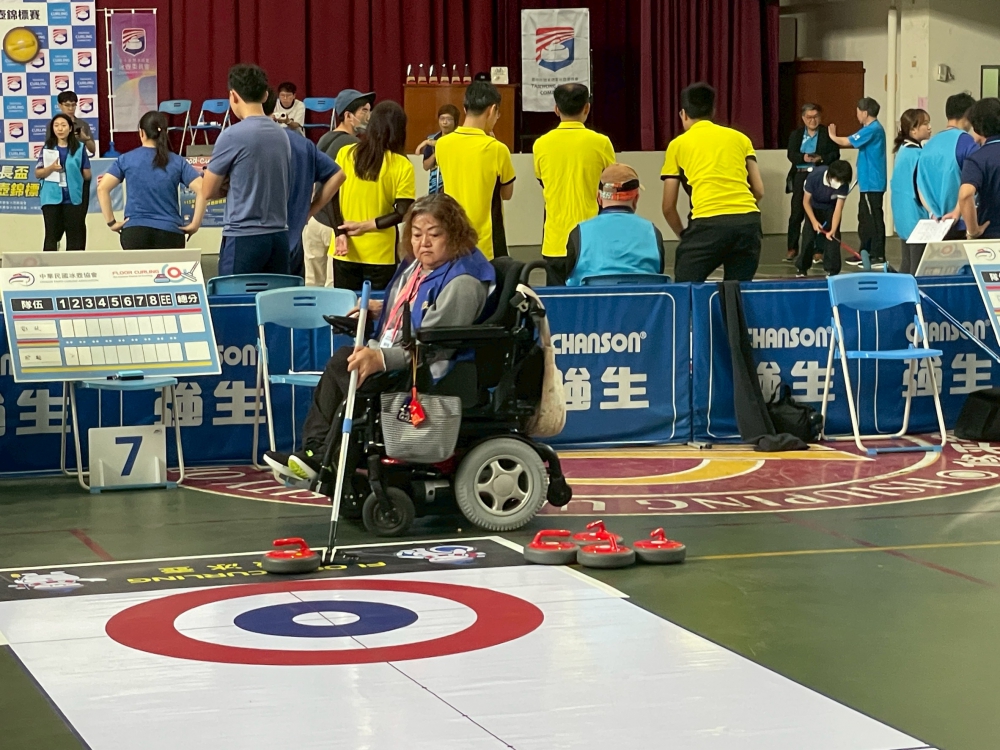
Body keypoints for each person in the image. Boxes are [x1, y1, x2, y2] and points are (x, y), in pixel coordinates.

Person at [264, 193, 496, 481]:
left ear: (456, 234)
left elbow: (435, 344)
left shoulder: (462, 281)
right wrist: (382, 309)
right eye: (416, 234)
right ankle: (315, 453)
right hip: (400, 352)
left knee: (348, 366)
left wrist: (382, 358)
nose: (423, 243)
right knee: (344, 362)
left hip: (427, 369)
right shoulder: (418, 267)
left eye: (434, 235)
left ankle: (321, 456)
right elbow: (413, 309)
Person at [660, 82, 764, 282]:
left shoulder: (677, 145)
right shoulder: (741, 138)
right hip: (748, 223)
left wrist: (685, 235)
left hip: (708, 222)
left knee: (685, 288)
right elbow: (758, 190)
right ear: (713, 111)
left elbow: (668, 207)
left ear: (683, 114)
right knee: (737, 290)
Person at [202, 64, 292, 276]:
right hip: (279, 236)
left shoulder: (232, 135)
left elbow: (208, 191)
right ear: (266, 95)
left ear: (233, 96)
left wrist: (226, 185)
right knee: (275, 296)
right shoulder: (282, 135)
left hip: (243, 236)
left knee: (234, 296)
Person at [533, 83, 616, 285]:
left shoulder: (541, 144)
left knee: (557, 301)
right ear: (587, 108)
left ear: (556, 109)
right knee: (591, 298)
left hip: (555, 241)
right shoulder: (601, 142)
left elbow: (542, 181)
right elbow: (611, 182)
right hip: (591, 238)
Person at [330, 101, 416, 291]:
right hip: (381, 252)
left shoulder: (345, 153)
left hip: (344, 248)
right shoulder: (402, 165)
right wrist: (365, 226)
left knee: (347, 307)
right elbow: (403, 212)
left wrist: (340, 232)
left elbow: (331, 197)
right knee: (378, 307)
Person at [261, 87, 345, 276]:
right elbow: (338, 175)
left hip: (257, 236)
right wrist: (309, 211)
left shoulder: (241, 139)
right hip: (291, 235)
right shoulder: (301, 143)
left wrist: (310, 211)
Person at [97, 111, 207, 249]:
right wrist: (195, 224)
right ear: (165, 132)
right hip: (170, 233)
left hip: (134, 233)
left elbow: (102, 188)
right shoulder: (178, 161)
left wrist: (111, 222)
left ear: (141, 133)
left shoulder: (126, 159)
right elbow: (203, 189)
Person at [436, 81, 515, 260]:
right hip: (487, 243)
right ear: (492, 110)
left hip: (453, 236)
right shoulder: (497, 149)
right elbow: (507, 194)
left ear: (465, 109)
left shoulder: (442, 144)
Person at [303, 88, 375, 286]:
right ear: (348, 115)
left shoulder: (325, 138)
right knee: (332, 287)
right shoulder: (353, 146)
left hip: (314, 220)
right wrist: (340, 230)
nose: (369, 116)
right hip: (334, 224)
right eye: (364, 111)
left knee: (312, 285)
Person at [564, 164, 665, 286]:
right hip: (643, 298)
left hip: (593, 298)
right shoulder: (653, 232)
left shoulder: (579, 233)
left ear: (599, 198)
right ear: (636, 199)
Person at [828, 97, 887, 266]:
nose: (857, 115)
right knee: (864, 218)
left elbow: (847, 141)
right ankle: (865, 252)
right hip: (866, 182)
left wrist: (832, 135)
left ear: (865, 113)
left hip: (872, 183)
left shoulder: (873, 129)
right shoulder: (870, 129)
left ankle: (877, 254)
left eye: (858, 112)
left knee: (873, 219)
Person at [916, 92, 978, 241]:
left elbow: (920, 186)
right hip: (962, 223)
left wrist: (933, 213)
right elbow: (974, 184)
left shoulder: (928, 145)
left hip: (935, 225)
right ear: (969, 115)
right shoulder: (968, 143)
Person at [785, 103, 840, 263]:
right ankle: (792, 247)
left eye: (815, 117)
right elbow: (790, 154)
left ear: (820, 117)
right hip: (800, 174)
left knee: (819, 212)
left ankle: (818, 249)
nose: (812, 120)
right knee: (797, 212)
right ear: (803, 118)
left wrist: (821, 159)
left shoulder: (826, 133)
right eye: (809, 117)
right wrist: (802, 158)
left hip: (820, 175)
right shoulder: (796, 134)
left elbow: (835, 154)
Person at [35, 113, 91, 251]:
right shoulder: (47, 147)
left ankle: (74, 263)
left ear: (70, 128)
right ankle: (49, 263)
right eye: (56, 125)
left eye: (63, 125)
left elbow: (87, 174)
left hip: (73, 198)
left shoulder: (79, 148)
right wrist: (51, 168)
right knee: (51, 235)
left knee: (75, 236)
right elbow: (38, 173)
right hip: (51, 197)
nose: (60, 129)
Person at [794, 160, 853, 278]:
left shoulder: (843, 185)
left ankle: (832, 271)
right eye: (837, 179)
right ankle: (802, 268)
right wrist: (814, 221)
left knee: (833, 238)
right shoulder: (815, 176)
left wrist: (833, 230)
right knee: (808, 238)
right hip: (813, 208)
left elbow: (838, 209)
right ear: (830, 175)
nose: (839, 183)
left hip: (830, 210)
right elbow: (805, 202)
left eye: (842, 181)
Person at [891, 109, 932, 274]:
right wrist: (933, 212)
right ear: (913, 129)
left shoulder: (902, 150)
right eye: (925, 124)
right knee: (917, 269)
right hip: (916, 217)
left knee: (907, 264)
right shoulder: (917, 154)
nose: (929, 127)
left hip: (903, 216)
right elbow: (922, 189)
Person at [959, 97, 1000, 240]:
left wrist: (973, 230)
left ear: (978, 127)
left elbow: (965, 195)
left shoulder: (977, 159)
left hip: (992, 236)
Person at [416, 103, 460, 194]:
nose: (445, 122)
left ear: (455, 121)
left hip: (455, 187)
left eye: (449, 119)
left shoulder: (460, 139)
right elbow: (426, 166)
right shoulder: (432, 138)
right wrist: (437, 152)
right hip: (435, 188)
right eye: (442, 119)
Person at [57, 91, 96, 156]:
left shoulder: (83, 124)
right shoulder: (54, 125)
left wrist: (86, 139)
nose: (70, 108)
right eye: (67, 105)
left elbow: (92, 150)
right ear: (60, 105)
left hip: (80, 160)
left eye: (73, 105)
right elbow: (49, 148)